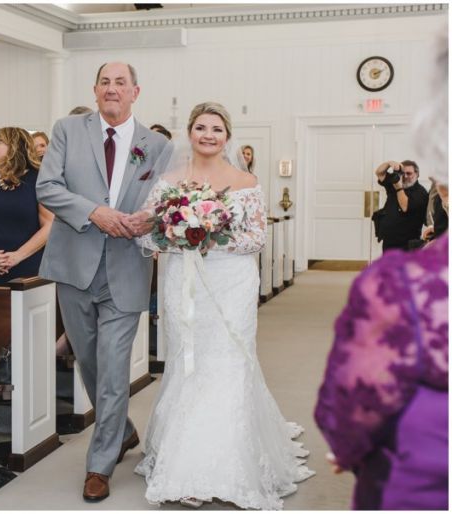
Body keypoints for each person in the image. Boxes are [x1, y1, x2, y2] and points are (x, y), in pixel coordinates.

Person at [134, 102, 314, 509]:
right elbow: (147, 235)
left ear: (228, 136)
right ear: (190, 133)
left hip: (232, 281)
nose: (209, 135)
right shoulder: (168, 180)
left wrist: (206, 233)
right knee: (188, 361)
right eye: (201, 127)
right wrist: (178, 235)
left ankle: (231, 462)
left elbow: (255, 238)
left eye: (217, 128)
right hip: (184, 279)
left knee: (229, 361)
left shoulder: (245, 180)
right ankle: (184, 461)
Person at [315, 27, 448, 511]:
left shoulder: (399, 288)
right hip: (395, 239)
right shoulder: (394, 183)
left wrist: (351, 446)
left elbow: (351, 400)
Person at [36, 62, 169, 502]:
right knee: (89, 361)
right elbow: (47, 187)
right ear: (95, 90)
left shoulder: (159, 145)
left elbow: (164, 201)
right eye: (105, 82)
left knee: (113, 367)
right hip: (74, 262)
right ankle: (123, 430)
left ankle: (99, 464)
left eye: (121, 83)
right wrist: (95, 212)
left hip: (127, 265)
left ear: (136, 91)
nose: (112, 89)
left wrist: (147, 218)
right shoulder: (68, 129)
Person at [0, 127, 53, 285]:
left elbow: (49, 226)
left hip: (27, 269)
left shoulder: (38, 181)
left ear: (14, 146)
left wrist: (17, 256)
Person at [373, 159, 429, 251]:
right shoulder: (395, 182)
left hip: (408, 244)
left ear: (417, 174)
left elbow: (404, 207)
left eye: (409, 173)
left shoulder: (421, 193)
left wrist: (399, 188)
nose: (405, 176)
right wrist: (389, 163)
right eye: (403, 173)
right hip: (389, 241)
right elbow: (379, 173)